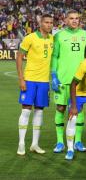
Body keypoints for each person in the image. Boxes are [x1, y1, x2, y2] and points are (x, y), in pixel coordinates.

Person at [51, 10, 86, 153]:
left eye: (77, 18)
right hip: (62, 79)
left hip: (79, 80)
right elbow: (54, 56)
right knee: (60, 108)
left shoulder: (85, 35)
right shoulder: (59, 35)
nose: (74, 21)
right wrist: (54, 75)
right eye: (71, 18)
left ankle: (78, 141)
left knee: (78, 110)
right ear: (65, 20)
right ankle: (60, 142)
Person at [16, 14, 53, 155]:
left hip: (44, 82)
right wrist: (21, 79)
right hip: (30, 80)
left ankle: (34, 144)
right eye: (46, 22)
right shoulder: (30, 37)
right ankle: (21, 143)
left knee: (39, 112)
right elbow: (19, 57)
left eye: (51, 23)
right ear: (40, 23)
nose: (49, 25)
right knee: (26, 110)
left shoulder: (52, 39)